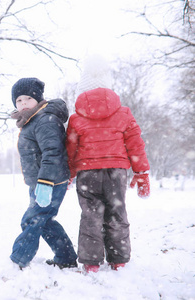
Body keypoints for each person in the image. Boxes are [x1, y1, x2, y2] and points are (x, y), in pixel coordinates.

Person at [66, 55, 150, 273]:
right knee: (116, 213)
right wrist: (141, 172)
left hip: (88, 174)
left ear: (82, 89)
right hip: (116, 172)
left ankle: (92, 262)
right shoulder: (123, 113)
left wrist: (69, 173)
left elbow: (71, 148)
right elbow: (135, 144)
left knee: (90, 216)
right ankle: (118, 259)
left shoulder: (76, 118)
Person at [9, 77, 78, 269]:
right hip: (40, 182)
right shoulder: (31, 121)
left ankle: (18, 260)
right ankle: (66, 257)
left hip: (50, 181)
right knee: (44, 221)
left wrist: (46, 182)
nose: (23, 104)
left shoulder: (44, 120)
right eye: (19, 101)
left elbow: (53, 152)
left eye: (27, 99)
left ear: (38, 99)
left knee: (32, 219)